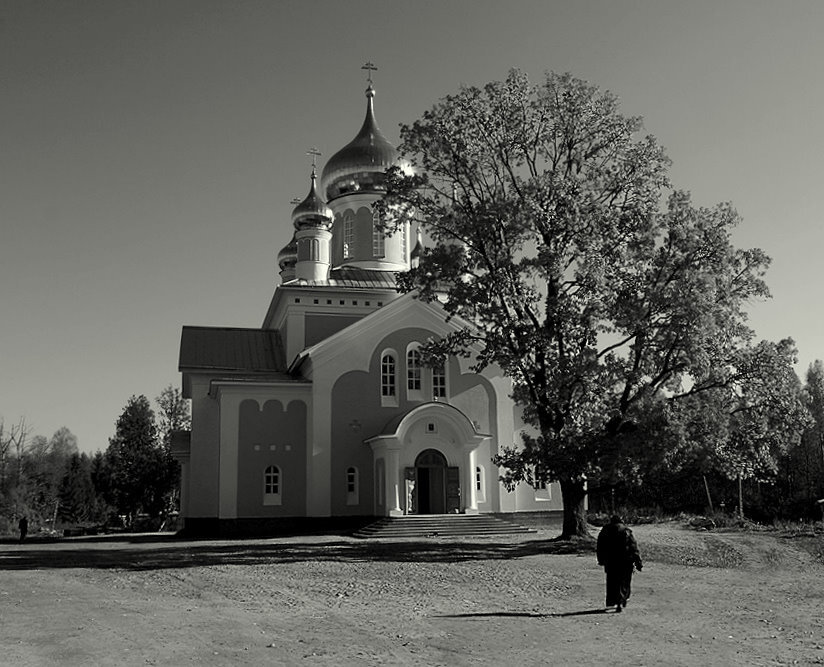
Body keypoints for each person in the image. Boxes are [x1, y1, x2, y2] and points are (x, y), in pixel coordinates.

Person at [596, 515, 643, 612]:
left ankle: (615, 601)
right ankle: (622, 599)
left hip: (611, 561)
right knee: (624, 581)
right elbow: (633, 547)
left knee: (612, 582)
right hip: (626, 561)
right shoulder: (626, 531)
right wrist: (638, 561)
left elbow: (600, 546)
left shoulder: (605, 531)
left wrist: (601, 559)